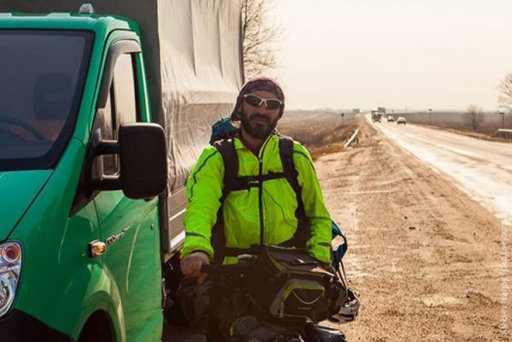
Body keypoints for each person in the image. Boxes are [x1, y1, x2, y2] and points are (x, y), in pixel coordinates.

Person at [179, 77, 332, 339]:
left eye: (271, 104)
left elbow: (318, 214)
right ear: (241, 106)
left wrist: (319, 259)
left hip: (286, 277)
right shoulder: (217, 158)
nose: (262, 109)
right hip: (231, 279)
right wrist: (196, 249)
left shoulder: (294, 155)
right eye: (254, 101)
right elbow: (199, 209)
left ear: (279, 113)